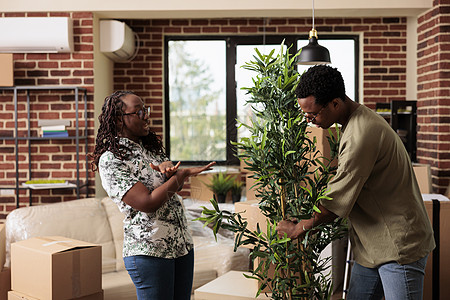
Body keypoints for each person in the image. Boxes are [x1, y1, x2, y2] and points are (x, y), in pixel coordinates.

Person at [277, 65, 435, 300]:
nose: (310, 121)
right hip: (372, 245)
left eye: (313, 114)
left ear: (335, 104)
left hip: (398, 246)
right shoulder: (354, 121)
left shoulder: (360, 135)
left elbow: (336, 200)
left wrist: (299, 228)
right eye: (305, 115)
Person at [91, 91, 215, 300]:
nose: (146, 115)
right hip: (150, 251)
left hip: (181, 245)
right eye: (138, 112)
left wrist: (169, 171)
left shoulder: (151, 150)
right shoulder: (111, 160)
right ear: (118, 119)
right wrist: (181, 175)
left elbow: (169, 190)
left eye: (145, 110)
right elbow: (147, 203)